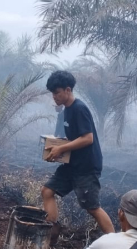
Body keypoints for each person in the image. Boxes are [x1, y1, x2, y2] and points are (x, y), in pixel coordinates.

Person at [42, 70, 114, 239]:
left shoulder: (79, 108)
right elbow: (72, 138)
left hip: (86, 167)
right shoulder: (66, 110)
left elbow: (88, 138)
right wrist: (56, 149)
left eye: (57, 92)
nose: (54, 96)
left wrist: (61, 149)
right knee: (47, 191)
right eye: (52, 93)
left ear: (68, 90)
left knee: (92, 207)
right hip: (72, 164)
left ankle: (115, 243)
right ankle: (50, 234)